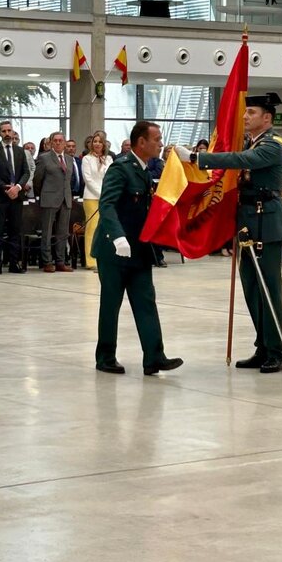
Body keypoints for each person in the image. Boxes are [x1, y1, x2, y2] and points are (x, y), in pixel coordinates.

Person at [176, 92, 282, 374]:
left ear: (267, 117)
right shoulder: (253, 142)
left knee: (269, 289)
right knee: (252, 289)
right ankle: (262, 346)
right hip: (248, 221)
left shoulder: (273, 146)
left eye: (250, 112)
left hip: (267, 221)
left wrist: (195, 157)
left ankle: (276, 350)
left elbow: (241, 159)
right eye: (245, 112)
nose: (244, 117)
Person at [93, 120, 183, 377]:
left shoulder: (144, 170)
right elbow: (107, 204)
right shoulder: (120, 168)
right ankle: (105, 357)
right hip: (114, 250)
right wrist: (117, 237)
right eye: (156, 139)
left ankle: (154, 357)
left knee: (146, 302)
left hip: (139, 249)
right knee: (110, 303)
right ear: (141, 142)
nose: (160, 143)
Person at [0, 120, 29, 274]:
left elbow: (26, 172)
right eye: (4, 131)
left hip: (16, 197)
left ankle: (13, 263)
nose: (7, 134)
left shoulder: (19, 151)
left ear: (13, 132)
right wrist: (6, 188)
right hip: (0, 197)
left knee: (15, 231)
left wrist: (17, 188)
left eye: (9, 130)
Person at [33, 131, 76, 273]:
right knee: (47, 231)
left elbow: (69, 179)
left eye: (60, 140)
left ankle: (60, 261)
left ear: (64, 143)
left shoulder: (69, 159)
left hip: (65, 199)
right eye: (55, 140)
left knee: (63, 232)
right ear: (51, 143)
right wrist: (43, 194)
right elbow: (37, 180)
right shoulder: (44, 158)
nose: (58, 143)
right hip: (49, 198)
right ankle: (47, 261)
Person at [81, 132, 113, 270]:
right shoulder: (86, 159)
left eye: (100, 141)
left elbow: (111, 177)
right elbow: (88, 179)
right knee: (93, 228)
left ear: (104, 144)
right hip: (91, 197)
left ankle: (105, 258)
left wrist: (108, 194)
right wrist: (101, 195)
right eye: (95, 141)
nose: (97, 144)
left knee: (106, 228)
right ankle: (91, 260)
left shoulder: (109, 159)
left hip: (107, 197)